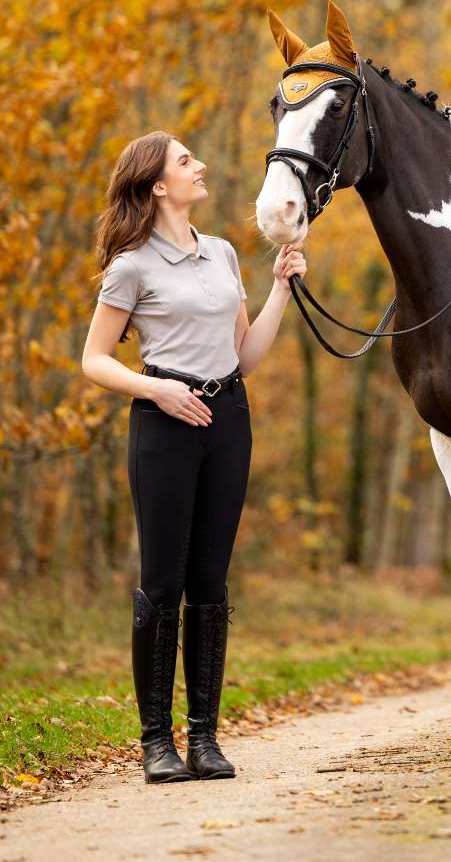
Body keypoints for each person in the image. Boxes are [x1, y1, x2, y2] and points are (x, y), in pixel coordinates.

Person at [81, 130, 306, 784]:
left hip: (229, 419)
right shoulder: (131, 266)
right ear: (156, 184)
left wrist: (281, 291)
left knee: (211, 580)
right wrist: (158, 389)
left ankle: (204, 739)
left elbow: (247, 358)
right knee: (163, 582)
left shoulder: (224, 254)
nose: (199, 166)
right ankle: (157, 742)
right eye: (185, 161)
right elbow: (93, 359)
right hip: (164, 425)